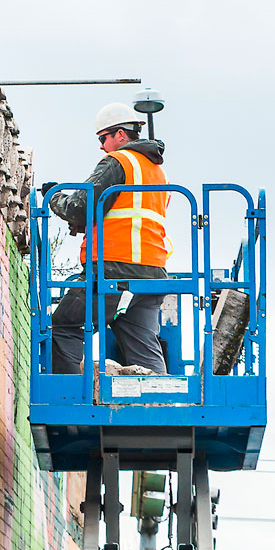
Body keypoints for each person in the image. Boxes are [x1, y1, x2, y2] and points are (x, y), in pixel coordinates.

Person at [46, 102, 171, 375]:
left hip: (115, 268)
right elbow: (124, 216)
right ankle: (161, 407)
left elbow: (81, 206)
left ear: (121, 135)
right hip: (153, 273)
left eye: (104, 138)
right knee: (143, 345)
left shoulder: (119, 162)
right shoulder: (156, 172)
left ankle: (70, 406)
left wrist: (54, 197)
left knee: (64, 326)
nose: (102, 146)